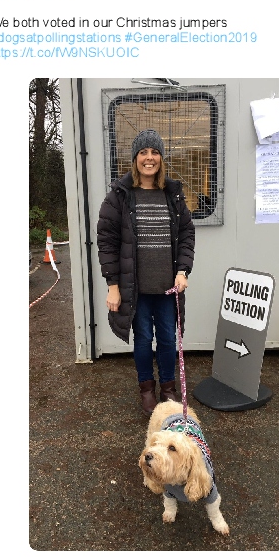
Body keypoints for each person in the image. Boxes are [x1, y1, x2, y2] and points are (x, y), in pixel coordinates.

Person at [97, 129, 195, 416]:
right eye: (143, 152)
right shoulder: (119, 196)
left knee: (167, 339)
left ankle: (168, 389)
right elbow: (107, 242)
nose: (149, 158)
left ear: (161, 159)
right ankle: (147, 390)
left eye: (154, 152)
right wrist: (113, 286)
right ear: (135, 158)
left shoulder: (172, 194)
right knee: (142, 340)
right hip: (136, 289)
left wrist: (182, 270)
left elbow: (186, 234)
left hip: (167, 289)